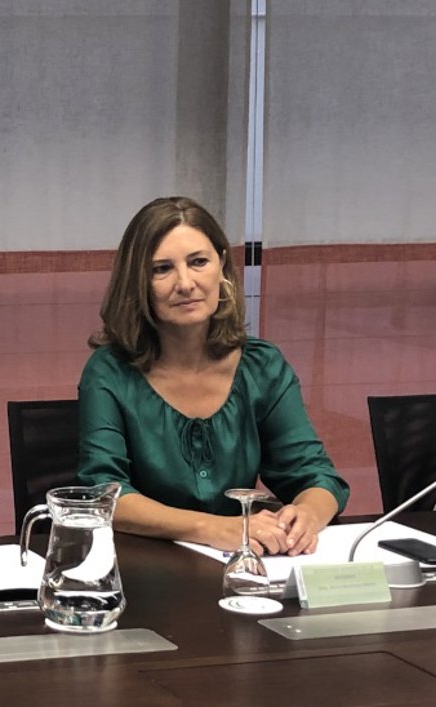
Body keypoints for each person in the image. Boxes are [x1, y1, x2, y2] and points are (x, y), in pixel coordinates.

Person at [77, 196, 349, 556]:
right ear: (138, 281)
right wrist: (213, 528)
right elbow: (104, 493)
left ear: (221, 265)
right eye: (162, 269)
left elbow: (317, 477)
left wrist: (306, 517)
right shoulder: (109, 372)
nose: (185, 283)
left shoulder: (262, 366)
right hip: (143, 567)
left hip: (244, 565)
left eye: (198, 262)